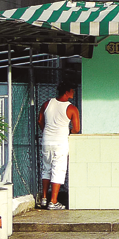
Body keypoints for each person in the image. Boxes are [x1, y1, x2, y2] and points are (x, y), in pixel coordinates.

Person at [38, 82, 81, 210]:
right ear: (66, 92)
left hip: (46, 140)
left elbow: (40, 121)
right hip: (60, 142)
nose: (73, 92)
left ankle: (44, 199)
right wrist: (67, 132)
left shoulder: (47, 104)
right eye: (71, 90)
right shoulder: (71, 108)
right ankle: (54, 201)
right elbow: (76, 129)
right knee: (58, 170)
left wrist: (46, 132)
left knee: (46, 168)